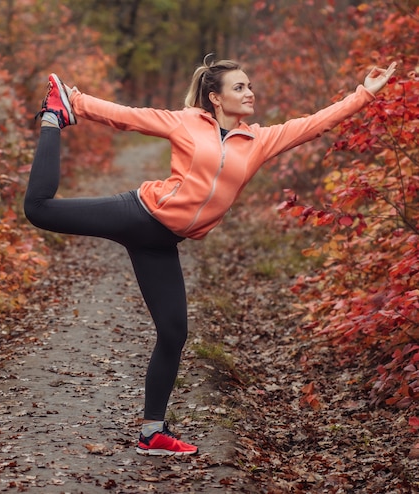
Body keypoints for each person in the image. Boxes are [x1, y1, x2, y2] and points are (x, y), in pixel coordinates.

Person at [23, 55, 396, 456]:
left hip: (162, 242)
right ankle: (53, 117)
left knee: (173, 332)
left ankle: (152, 433)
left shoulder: (258, 141)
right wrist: (75, 102)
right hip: (138, 213)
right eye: (239, 87)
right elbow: (128, 117)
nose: (249, 92)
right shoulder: (186, 122)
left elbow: (313, 124)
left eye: (249, 85)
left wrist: (364, 94)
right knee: (39, 210)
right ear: (215, 98)